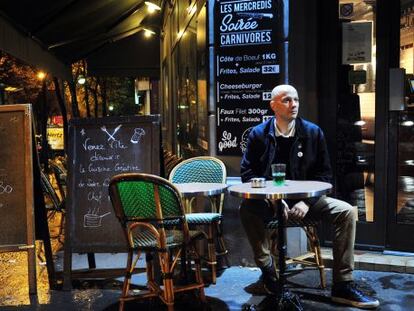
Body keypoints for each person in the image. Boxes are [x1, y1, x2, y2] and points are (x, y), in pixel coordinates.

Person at [239, 84, 379, 309]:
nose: (293, 104)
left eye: (295, 99)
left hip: (307, 201)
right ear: (273, 105)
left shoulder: (313, 132)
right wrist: (274, 198)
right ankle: (268, 274)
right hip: (272, 202)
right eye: (286, 100)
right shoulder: (259, 134)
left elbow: (325, 174)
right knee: (247, 209)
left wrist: (307, 201)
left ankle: (342, 285)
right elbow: (248, 173)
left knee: (346, 212)